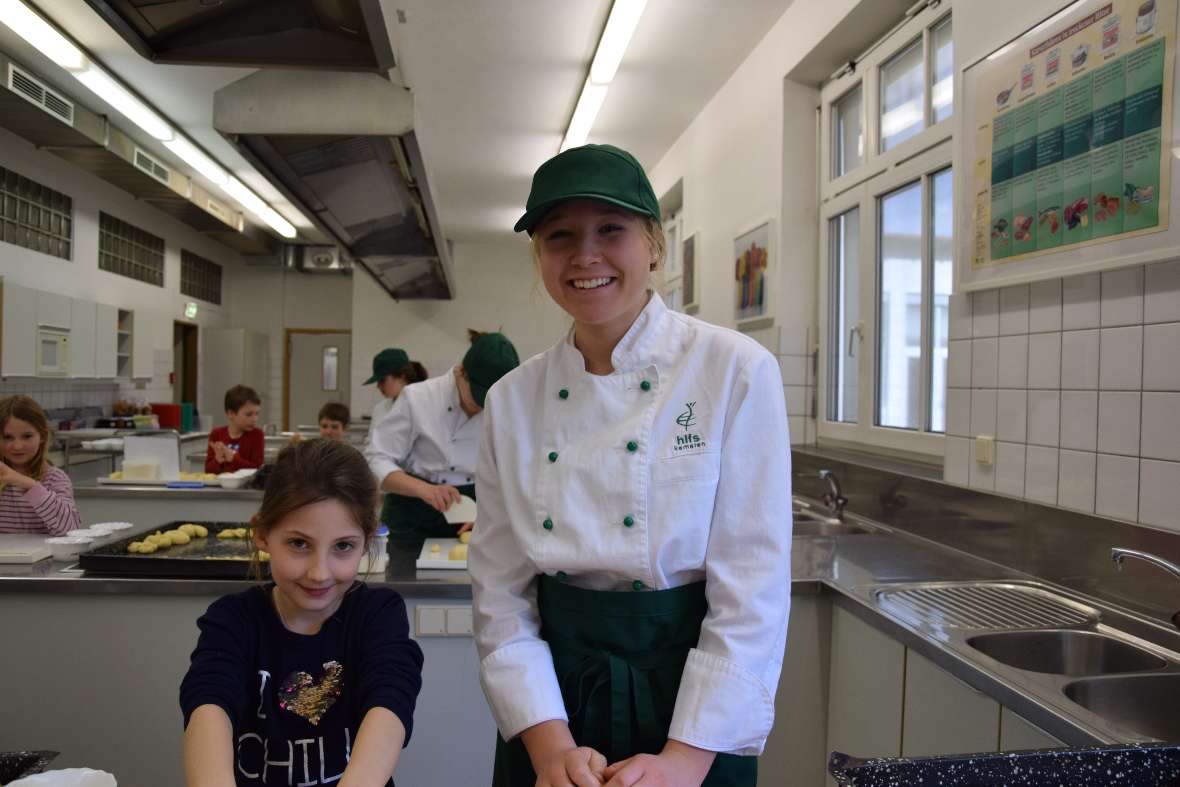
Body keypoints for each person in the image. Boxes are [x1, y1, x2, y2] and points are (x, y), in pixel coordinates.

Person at [469, 143, 792, 787]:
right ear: (540, 257)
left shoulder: (733, 370)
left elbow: (752, 585)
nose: (585, 256)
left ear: (654, 245)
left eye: (610, 230)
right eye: (560, 236)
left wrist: (685, 759)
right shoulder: (512, 399)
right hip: (555, 703)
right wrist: (548, 747)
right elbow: (501, 592)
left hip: (695, 706)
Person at [180, 439, 425, 786]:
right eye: (299, 544)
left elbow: (391, 700)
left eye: (343, 546)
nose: (319, 572)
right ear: (263, 534)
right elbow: (208, 705)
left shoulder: (376, 616)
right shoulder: (233, 621)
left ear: (366, 541)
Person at [365, 332, 519, 546]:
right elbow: (377, 458)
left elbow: (512, 472)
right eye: (477, 396)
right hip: (411, 510)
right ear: (460, 373)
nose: (482, 407)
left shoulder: (508, 407)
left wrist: (494, 514)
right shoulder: (418, 398)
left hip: (473, 513)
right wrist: (424, 489)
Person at [0, 395, 80, 535]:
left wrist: (30, 485)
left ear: (42, 436)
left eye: (27, 436)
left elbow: (70, 529)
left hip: (43, 557)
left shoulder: (55, 479)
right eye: (7, 437)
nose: (17, 446)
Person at [362, 348, 428, 439]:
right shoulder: (380, 409)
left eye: (382, 380)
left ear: (401, 375)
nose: (378, 386)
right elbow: (371, 442)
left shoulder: (425, 407)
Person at [205, 385, 265, 474]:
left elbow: (257, 470)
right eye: (249, 414)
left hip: (246, 487)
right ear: (231, 414)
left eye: (257, 414)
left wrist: (233, 458)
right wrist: (217, 460)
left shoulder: (257, 435)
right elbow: (208, 471)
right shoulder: (216, 434)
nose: (254, 419)